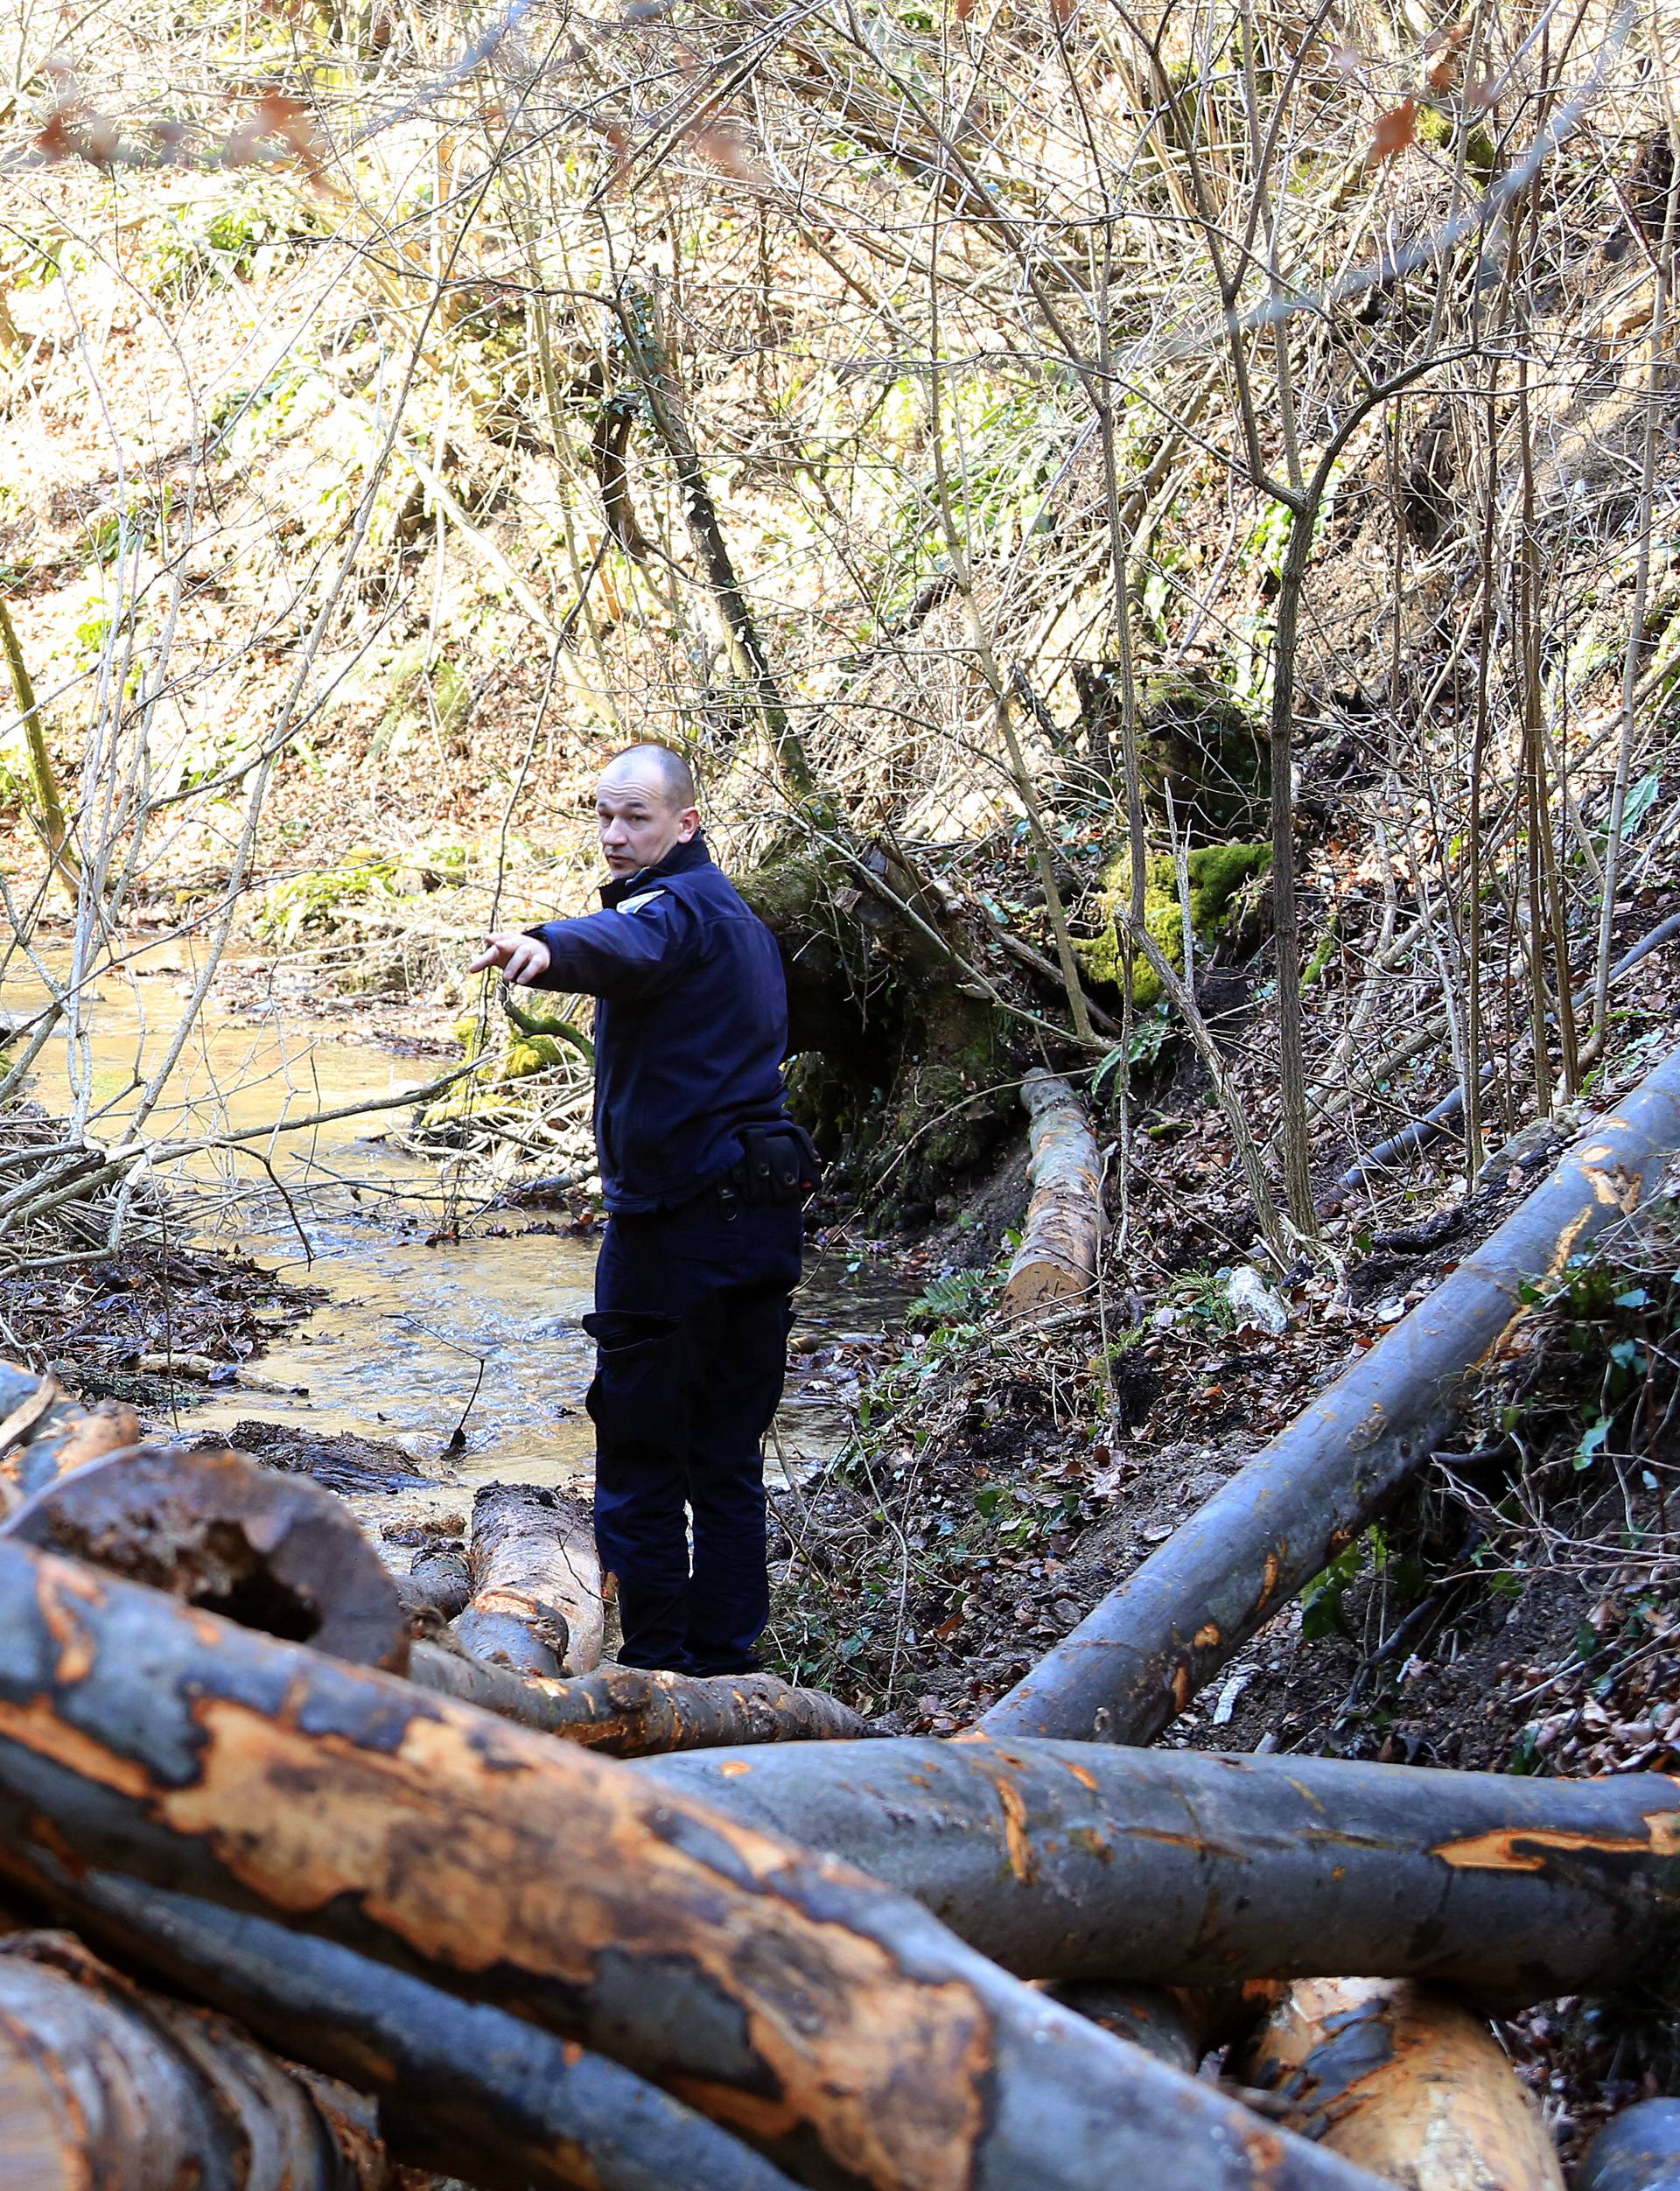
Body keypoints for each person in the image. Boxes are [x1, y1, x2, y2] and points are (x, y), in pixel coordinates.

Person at [469, 745, 815, 1676]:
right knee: (727, 1460)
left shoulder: (675, 912)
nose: (617, 836)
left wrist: (549, 947)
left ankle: (658, 1671)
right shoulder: (739, 918)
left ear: (686, 824)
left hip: (676, 1230)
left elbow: (628, 941)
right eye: (605, 815)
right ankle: (728, 1666)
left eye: (638, 818)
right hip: (758, 1218)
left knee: (641, 1462)